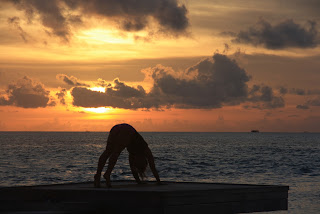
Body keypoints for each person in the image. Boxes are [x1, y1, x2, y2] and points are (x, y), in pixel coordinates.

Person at [94, 123, 161, 188]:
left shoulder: (133, 155)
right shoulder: (145, 149)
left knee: (108, 151)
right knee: (115, 152)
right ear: (143, 162)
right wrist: (158, 181)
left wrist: (138, 181)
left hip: (117, 128)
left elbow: (132, 168)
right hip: (127, 130)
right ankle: (107, 174)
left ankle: (98, 175)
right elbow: (152, 166)